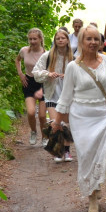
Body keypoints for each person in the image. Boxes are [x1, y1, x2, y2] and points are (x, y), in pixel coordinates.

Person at [52, 25, 106, 212]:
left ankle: (95, 185)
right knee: (86, 154)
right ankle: (91, 195)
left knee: (100, 153)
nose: (93, 42)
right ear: (81, 42)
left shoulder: (105, 60)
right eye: (88, 39)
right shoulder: (73, 66)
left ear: (100, 41)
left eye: (96, 39)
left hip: (103, 114)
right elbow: (65, 97)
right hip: (81, 116)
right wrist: (57, 122)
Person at [33, 28, 74, 162]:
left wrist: (68, 76)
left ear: (67, 40)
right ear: (54, 41)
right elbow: (36, 72)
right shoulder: (48, 56)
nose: (60, 40)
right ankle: (57, 151)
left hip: (67, 94)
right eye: (58, 38)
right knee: (56, 122)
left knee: (67, 123)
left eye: (63, 38)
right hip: (51, 93)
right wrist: (48, 74)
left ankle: (67, 151)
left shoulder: (73, 57)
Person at [15, 28, 47, 146]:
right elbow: (17, 60)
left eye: (35, 39)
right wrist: (20, 74)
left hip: (42, 84)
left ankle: (44, 137)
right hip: (28, 82)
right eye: (30, 39)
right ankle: (33, 131)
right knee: (31, 112)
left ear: (40, 39)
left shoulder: (45, 53)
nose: (32, 41)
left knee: (43, 116)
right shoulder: (24, 50)